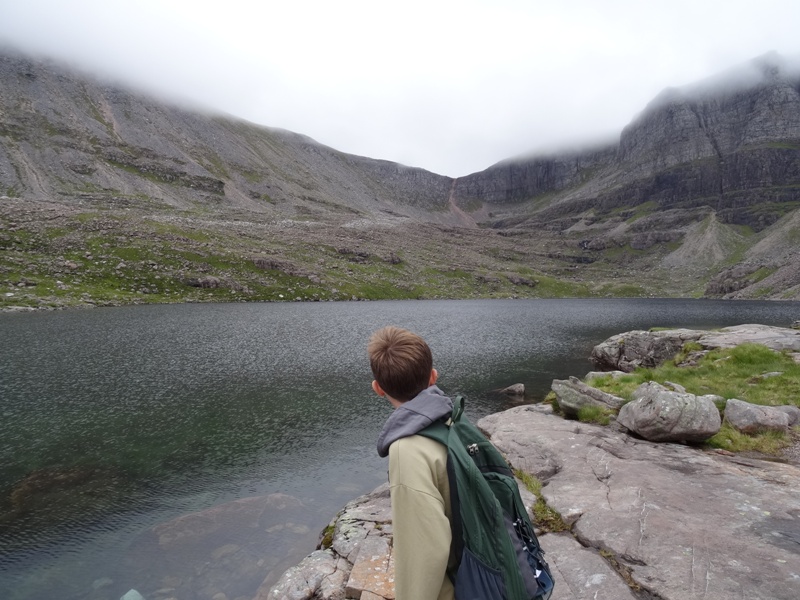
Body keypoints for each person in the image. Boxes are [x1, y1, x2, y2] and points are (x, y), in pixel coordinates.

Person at [369, 325, 456, 600]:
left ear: (378, 389)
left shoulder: (406, 451)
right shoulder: (455, 421)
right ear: (433, 377)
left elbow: (426, 551)